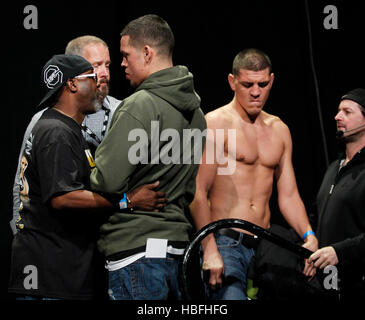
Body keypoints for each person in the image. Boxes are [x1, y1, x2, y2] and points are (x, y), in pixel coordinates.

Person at [8, 54, 165, 300]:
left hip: (58, 271)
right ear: (71, 84)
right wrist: (128, 201)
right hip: (50, 275)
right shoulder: (56, 131)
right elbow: (63, 198)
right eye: (92, 78)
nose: (99, 84)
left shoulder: (63, 128)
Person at [90, 14, 206, 300]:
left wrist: (86, 163)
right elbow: (189, 190)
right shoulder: (198, 115)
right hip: (177, 250)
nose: (122, 64)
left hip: (135, 251)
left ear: (146, 53)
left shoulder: (139, 105)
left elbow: (105, 180)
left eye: (125, 55)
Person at [190, 48, 318, 300]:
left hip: (267, 244)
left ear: (272, 80)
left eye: (262, 84)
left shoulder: (280, 129)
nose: (256, 92)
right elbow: (197, 192)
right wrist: (210, 249)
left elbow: (289, 194)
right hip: (226, 242)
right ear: (232, 81)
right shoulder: (215, 123)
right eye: (248, 84)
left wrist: (309, 235)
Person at [11, 36, 122, 235]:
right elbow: (24, 183)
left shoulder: (122, 111)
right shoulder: (48, 124)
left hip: (107, 238)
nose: (103, 74)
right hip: (56, 239)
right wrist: (20, 230)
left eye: (107, 65)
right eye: (95, 67)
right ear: (72, 77)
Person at [308, 88, 365, 299]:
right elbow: (315, 217)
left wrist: (339, 252)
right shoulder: (334, 167)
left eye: (347, 112)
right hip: (328, 283)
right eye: (338, 111)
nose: (337, 117)